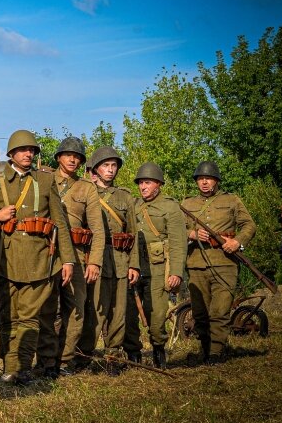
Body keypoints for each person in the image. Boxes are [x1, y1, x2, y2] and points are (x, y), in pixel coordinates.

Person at [0, 130, 75, 385]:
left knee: (29, 318)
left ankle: (20, 369)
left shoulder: (45, 182)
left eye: (32, 150)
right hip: (5, 259)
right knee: (8, 317)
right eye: (23, 150)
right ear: (11, 153)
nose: (28, 154)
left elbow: (60, 222)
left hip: (39, 260)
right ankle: (10, 366)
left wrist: (68, 260)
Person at [36, 137, 105, 376]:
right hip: (45, 253)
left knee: (75, 309)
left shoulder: (87, 188)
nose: (73, 159)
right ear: (58, 157)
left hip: (76, 255)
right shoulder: (43, 179)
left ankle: (64, 360)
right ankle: (45, 359)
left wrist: (94, 261)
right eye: (68, 155)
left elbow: (98, 229)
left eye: (77, 157)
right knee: (45, 308)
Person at [182, 161, 256, 364]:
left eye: (208, 178)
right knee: (200, 313)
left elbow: (249, 224)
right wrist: (191, 233)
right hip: (196, 263)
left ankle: (216, 353)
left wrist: (237, 242)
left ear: (216, 180)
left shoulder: (231, 200)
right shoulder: (187, 204)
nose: (204, 182)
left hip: (225, 263)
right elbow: (176, 229)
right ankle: (204, 350)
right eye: (200, 179)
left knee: (220, 311)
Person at [82, 147, 140, 365]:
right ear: (96, 169)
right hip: (95, 258)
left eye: (114, 165)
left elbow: (132, 233)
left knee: (118, 310)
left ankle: (113, 355)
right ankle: (85, 354)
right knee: (94, 308)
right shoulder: (87, 192)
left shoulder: (125, 196)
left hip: (120, 259)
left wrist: (134, 265)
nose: (110, 170)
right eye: (105, 165)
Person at [128, 162, 186, 369]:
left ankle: (158, 350)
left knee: (157, 314)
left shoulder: (170, 207)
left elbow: (178, 242)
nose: (143, 187)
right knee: (130, 313)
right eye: (140, 183)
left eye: (147, 182)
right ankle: (133, 353)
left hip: (159, 269)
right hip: (134, 266)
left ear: (159, 184)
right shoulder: (133, 205)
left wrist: (177, 272)